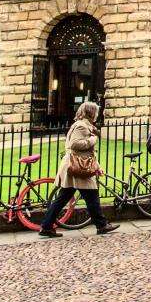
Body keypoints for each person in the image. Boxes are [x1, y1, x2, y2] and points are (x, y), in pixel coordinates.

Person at [38, 102, 118, 238]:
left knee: (64, 198)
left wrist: (97, 166)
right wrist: (93, 140)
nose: (98, 114)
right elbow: (74, 144)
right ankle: (102, 225)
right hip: (78, 168)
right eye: (96, 112)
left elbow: (88, 153)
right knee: (91, 196)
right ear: (91, 112)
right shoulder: (81, 126)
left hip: (77, 167)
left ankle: (46, 226)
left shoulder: (84, 125)